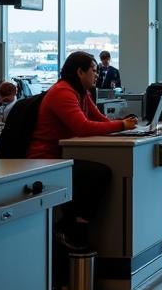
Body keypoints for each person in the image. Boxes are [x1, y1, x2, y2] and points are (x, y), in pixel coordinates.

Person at [27, 51, 139, 249]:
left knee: (96, 173)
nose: (97, 75)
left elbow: (98, 120)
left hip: (64, 156)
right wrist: (121, 126)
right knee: (98, 174)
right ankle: (71, 226)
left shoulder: (82, 92)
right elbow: (83, 127)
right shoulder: (63, 92)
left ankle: (73, 225)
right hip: (47, 160)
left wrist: (124, 127)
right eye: (94, 71)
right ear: (80, 72)